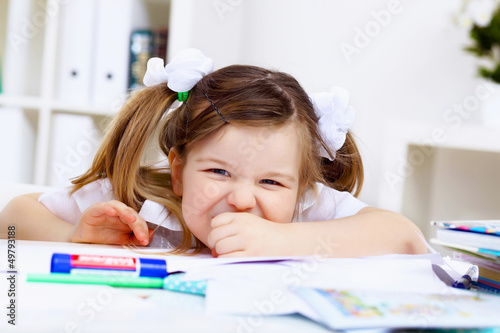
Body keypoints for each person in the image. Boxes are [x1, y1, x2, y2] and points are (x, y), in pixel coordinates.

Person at [0, 48, 427, 257]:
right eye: (219, 172)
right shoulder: (141, 203)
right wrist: (73, 239)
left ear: (300, 187)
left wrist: (286, 239)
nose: (242, 199)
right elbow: (12, 219)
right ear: (179, 170)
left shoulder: (302, 210)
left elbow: (404, 236)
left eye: (271, 181)